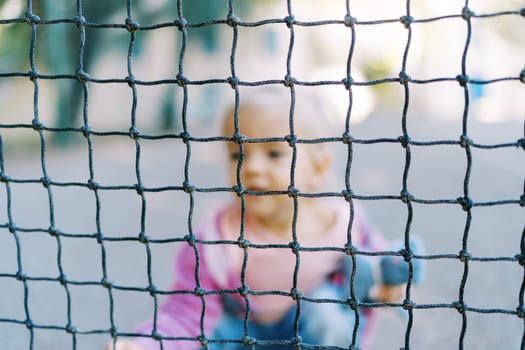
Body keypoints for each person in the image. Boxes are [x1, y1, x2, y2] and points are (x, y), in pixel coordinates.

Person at [105, 88, 423, 350]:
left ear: (318, 169)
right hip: (244, 337)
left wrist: (390, 281)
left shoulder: (343, 223)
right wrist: (149, 343)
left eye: (273, 153)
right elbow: (189, 311)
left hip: (313, 335)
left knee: (327, 310)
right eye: (237, 154)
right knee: (212, 332)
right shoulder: (218, 236)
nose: (251, 168)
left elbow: (374, 266)